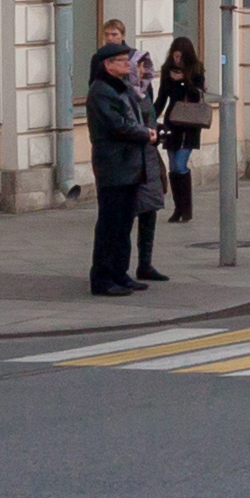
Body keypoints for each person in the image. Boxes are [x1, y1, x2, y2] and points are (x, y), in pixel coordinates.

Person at [82, 28, 157, 299]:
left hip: (129, 165)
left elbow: (133, 118)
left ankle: (119, 273)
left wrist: (144, 130)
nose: (129, 64)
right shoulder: (101, 91)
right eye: (123, 61)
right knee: (110, 224)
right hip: (113, 166)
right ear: (108, 65)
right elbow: (117, 126)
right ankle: (102, 278)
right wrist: (144, 134)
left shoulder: (121, 88)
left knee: (125, 223)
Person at [151, 31, 209, 264]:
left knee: (179, 163)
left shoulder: (196, 70)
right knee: (173, 165)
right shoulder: (166, 71)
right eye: (174, 57)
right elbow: (162, 98)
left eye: (179, 57)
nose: (176, 61)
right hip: (173, 122)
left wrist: (184, 80)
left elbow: (198, 95)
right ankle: (178, 209)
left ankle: (187, 208)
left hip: (190, 124)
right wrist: (151, 117)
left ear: (187, 56)